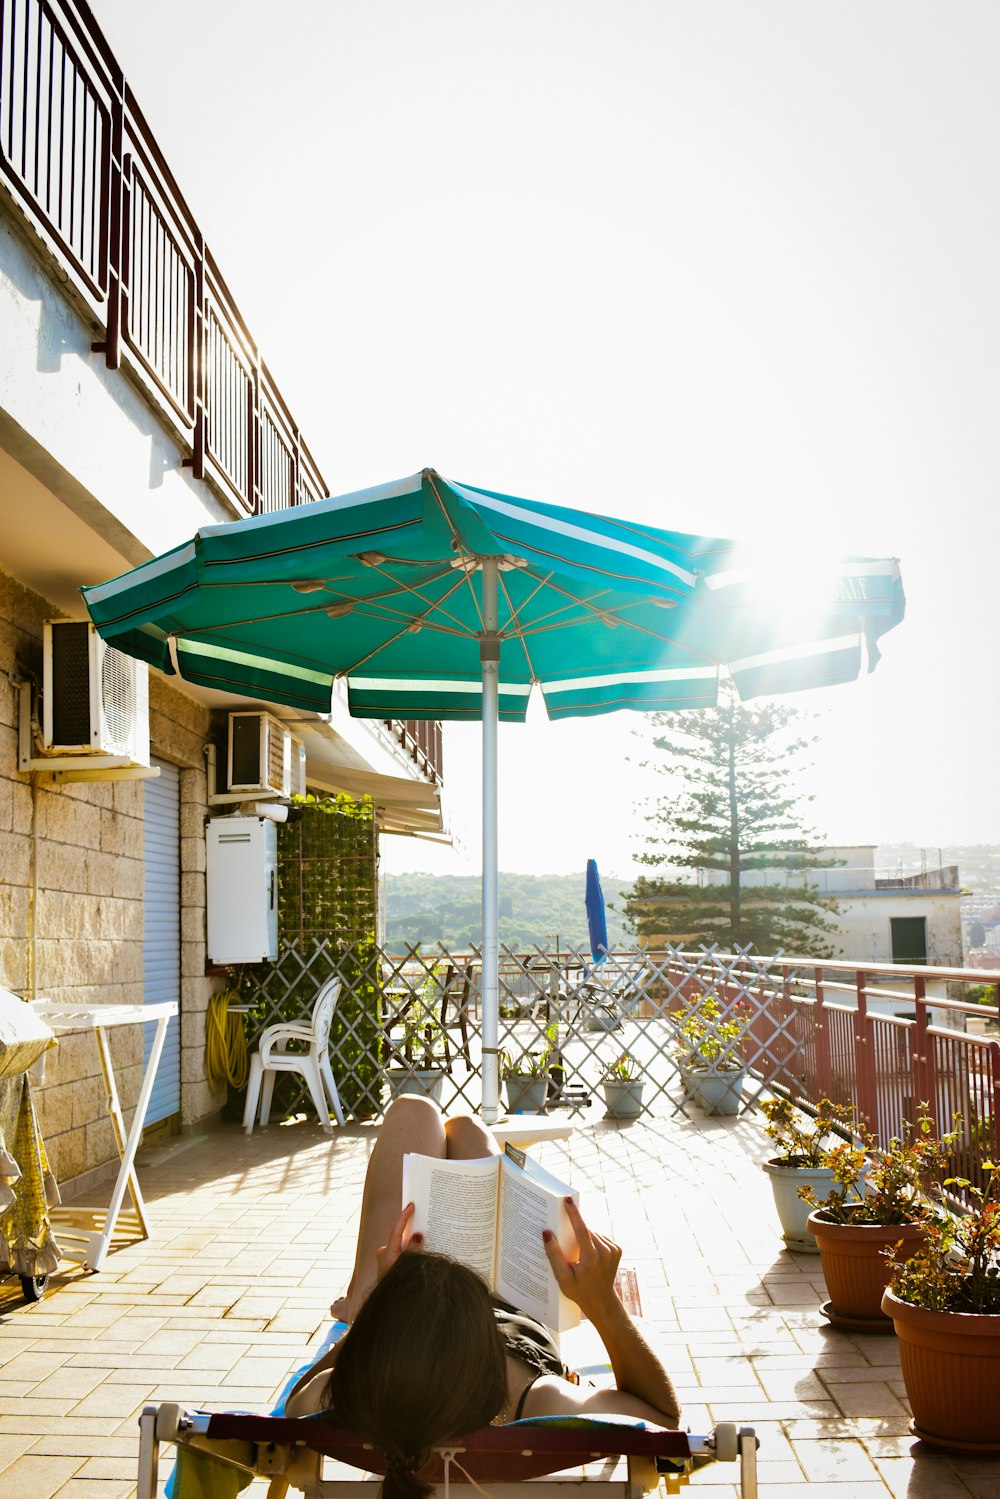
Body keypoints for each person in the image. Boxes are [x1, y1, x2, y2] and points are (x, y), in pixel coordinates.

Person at [286, 1096, 679, 1499]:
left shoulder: (353, 1390)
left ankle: (362, 1301)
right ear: (485, 1344)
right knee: (469, 1130)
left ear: (379, 1348)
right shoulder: (536, 1399)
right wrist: (603, 1304)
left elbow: (295, 1405)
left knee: (414, 1112)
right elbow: (664, 1422)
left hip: (407, 1308)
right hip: (491, 1305)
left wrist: (376, 1306)